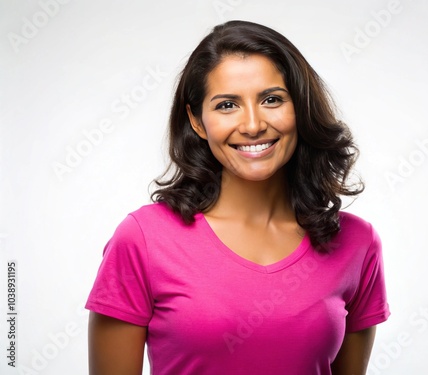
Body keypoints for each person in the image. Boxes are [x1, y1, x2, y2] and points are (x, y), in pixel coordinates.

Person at [86, 20, 390, 375]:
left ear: (301, 108)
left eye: (272, 99)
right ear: (197, 121)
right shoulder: (143, 238)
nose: (252, 125)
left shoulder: (357, 243)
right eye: (227, 105)